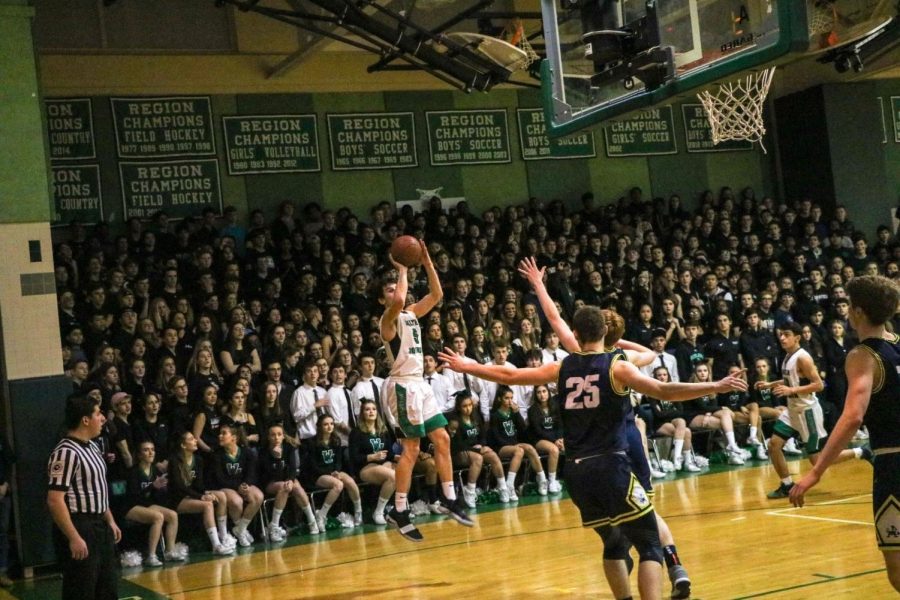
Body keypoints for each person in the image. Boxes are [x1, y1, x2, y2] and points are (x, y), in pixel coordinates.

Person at [438, 306, 747, 600]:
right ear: (606, 333)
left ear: (575, 333)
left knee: (613, 542)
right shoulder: (617, 366)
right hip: (611, 466)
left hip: (576, 472)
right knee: (650, 544)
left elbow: (511, 376)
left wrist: (467, 365)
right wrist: (715, 386)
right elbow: (664, 390)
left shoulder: (563, 366)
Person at [789, 275, 900, 592]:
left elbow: (853, 416)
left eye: (850, 306)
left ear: (860, 312)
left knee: (898, 571)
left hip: (893, 466)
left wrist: (816, 472)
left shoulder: (863, 356)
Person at [378, 242, 473, 542]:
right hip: (402, 385)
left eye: (396, 287)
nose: (396, 292)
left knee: (443, 438)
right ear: (383, 299)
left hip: (420, 383)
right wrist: (404, 269)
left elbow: (437, 295)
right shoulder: (388, 321)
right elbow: (401, 299)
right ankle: (400, 509)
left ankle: (448, 497)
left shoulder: (410, 315)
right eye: (390, 290)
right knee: (412, 449)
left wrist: (428, 261)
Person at [759, 321, 872, 499]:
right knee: (774, 446)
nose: (782, 337)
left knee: (818, 460)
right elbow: (792, 381)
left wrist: (791, 391)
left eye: (786, 334)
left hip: (807, 412)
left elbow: (819, 385)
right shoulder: (787, 356)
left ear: (797, 337)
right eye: (780, 334)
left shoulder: (803, 357)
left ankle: (862, 451)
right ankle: (786, 485)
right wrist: (770, 384)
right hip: (792, 410)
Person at [47, 395, 123, 600]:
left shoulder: (93, 446)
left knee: (107, 588)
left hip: (100, 525)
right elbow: (55, 499)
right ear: (85, 420)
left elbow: (97, 488)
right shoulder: (65, 452)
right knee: (81, 589)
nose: (103, 418)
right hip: (80, 524)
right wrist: (73, 537)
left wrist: (110, 520)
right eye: (98, 413)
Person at [167, 431, 235, 555]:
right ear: (183, 445)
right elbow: (179, 486)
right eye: (191, 439)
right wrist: (202, 496)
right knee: (207, 505)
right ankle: (216, 545)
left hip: (192, 494)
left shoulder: (198, 459)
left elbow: (199, 484)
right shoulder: (174, 460)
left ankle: (224, 537)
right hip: (177, 498)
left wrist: (206, 492)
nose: (195, 441)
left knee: (221, 496)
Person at [123, 441, 183, 565]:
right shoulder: (133, 472)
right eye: (146, 450)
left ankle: (169, 551)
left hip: (147, 504)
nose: (151, 452)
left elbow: (156, 495)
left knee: (172, 515)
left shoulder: (155, 470)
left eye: (152, 449)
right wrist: (153, 486)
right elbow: (133, 496)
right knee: (158, 517)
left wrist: (162, 488)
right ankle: (151, 555)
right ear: (139, 455)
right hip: (131, 506)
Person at [259, 424, 320, 540]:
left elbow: (293, 469)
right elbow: (270, 475)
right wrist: (277, 459)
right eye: (273, 435)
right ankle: (274, 526)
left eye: (279, 434)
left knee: (296, 487)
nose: (276, 437)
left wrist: (291, 480)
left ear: (283, 436)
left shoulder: (289, 447)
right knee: (284, 487)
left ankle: (312, 520)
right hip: (270, 482)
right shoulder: (263, 452)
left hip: (287, 478)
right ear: (268, 437)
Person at [448, 391, 508, 507]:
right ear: (459, 408)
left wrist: (483, 445)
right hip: (459, 453)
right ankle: (470, 491)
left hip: (476, 450)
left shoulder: (476, 416)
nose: (468, 409)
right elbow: (457, 444)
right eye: (464, 406)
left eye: (470, 405)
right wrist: (477, 450)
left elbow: (483, 436)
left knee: (492, 455)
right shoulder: (455, 421)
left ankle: (503, 488)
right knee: (478, 458)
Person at [309, 414, 362, 530]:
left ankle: (358, 511)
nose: (329, 427)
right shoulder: (312, 443)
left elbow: (338, 461)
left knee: (350, 481)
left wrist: (336, 471)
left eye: (331, 424)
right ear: (319, 426)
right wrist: (330, 473)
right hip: (318, 475)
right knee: (338, 485)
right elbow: (313, 466)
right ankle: (321, 515)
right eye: (326, 424)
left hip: (333, 472)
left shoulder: (336, 440)